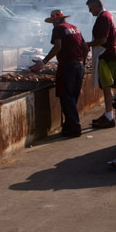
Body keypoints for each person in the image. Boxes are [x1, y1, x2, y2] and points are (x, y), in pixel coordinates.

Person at [31, 9, 87, 138]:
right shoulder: (75, 28)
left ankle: (75, 128)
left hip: (67, 66)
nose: (52, 24)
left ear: (56, 20)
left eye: (52, 21)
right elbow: (84, 47)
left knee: (66, 96)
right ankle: (68, 126)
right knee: (73, 97)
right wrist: (82, 63)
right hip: (78, 65)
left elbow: (58, 46)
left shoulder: (58, 29)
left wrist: (43, 62)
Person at [86, 0, 116, 129]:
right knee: (108, 86)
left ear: (97, 6)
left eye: (91, 8)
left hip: (106, 55)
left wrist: (87, 45)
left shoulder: (103, 17)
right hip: (109, 53)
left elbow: (103, 40)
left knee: (106, 87)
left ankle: (110, 117)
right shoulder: (106, 15)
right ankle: (108, 114)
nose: (90, 11)